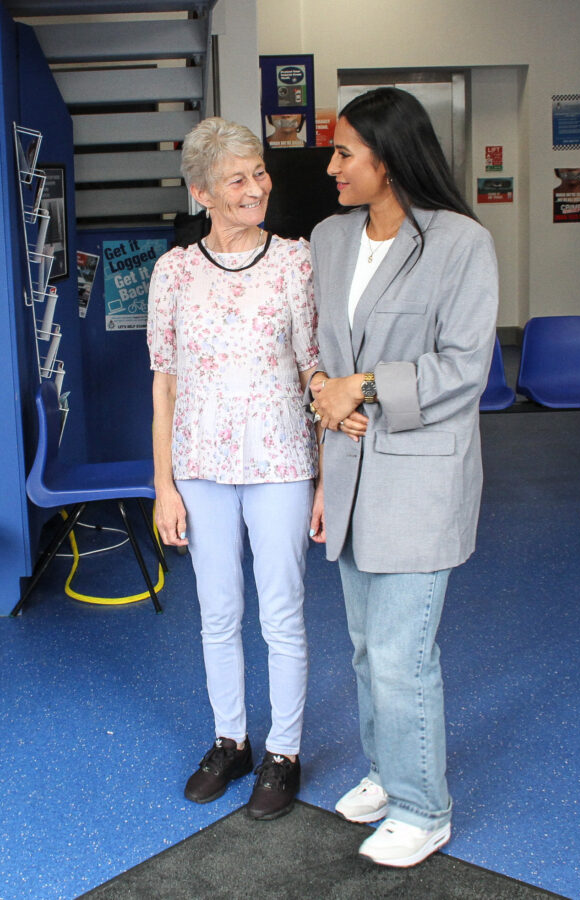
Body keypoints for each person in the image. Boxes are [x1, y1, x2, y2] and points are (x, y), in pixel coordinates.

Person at [307, 88, 498, 867]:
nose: (330, 167)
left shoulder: (459, 244)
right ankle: (389, 774)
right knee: (362, 646)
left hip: (418, 477)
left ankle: (426, 808)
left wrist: (365, 385)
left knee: (400, 651)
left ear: (389, 159)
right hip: (350, 470)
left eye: (345, 153)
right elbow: (318, 347)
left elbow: (464, 366)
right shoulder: (329, 238)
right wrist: (325, 389)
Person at [147, 116, 319, 821]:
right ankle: (232, 739)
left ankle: (283, 750)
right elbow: (164, 381)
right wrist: (163, 484)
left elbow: (317, 370)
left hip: (281, 462)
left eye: (259, 173)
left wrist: (327, 480)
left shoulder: (295, 261)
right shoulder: (175, 271)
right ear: (201, 193)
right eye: (237, 179)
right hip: (200, 466)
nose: (256, 188)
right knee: (217, 613)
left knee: (281, 613)